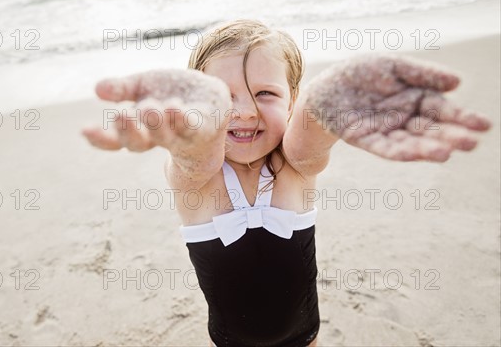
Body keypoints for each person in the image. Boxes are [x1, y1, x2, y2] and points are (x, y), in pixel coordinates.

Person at [82, 19, 490, 347]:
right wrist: (194, 133)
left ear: (292, 100)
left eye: (265, 93)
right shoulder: (198, 180)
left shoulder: (296, 166)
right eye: (223, 97)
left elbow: (310, 136)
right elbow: (195, 157)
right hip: (229, 339)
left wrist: (327, 101)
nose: (244, 112)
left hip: (303, 332)